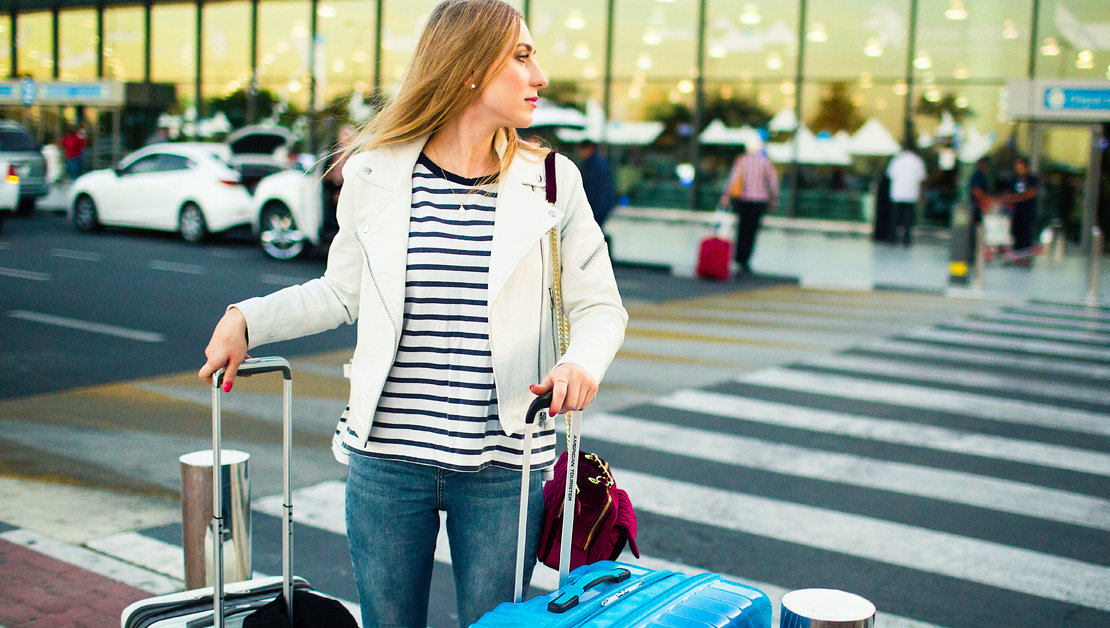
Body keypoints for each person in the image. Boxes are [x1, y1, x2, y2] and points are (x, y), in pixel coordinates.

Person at [197, 2, 628, 626]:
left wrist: (580, 363)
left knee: (496, 625)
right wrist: (247, 319)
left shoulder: (553, 179)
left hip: (504, 466)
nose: (540, 78)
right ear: (470, 67)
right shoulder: (376, 170)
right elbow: (340, 293)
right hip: (386, 462)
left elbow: (600, 306)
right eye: (523, 56)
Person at [719, 135, 779, 278]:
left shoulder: (742, 161)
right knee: (752, 231)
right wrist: (773, 198)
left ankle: (738, 259)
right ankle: (745, 261)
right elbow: (772, 182)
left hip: (743, 200)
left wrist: (726, 196)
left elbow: (733, 179)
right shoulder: (765, 162)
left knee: (741, 229)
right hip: (759, 201)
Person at [885, 144, 926, 247]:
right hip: (911, 194)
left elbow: (889, 175)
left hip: (897, 193)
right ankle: (906, 240)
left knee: (894, 218)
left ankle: (892, 239)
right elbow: (922, 178)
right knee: (908, 219)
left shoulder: (897, 160)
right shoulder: (918, 161)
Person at [1004, 156, 1039, 257]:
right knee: (1016, 237)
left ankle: (1026, 258)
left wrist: (1016, 198)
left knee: (1026, 237)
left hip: (1027, 214)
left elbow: (1031, 193)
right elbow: (1007, 194)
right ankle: (1017, 258)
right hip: (1016, 214)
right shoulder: (1013, 180)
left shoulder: (1031, 179)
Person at [578, 140, 615, 229]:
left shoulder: (592, 165)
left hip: (598, 204)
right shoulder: (600, 162)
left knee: (593, 228)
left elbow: (592, 187)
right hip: (604, 203)